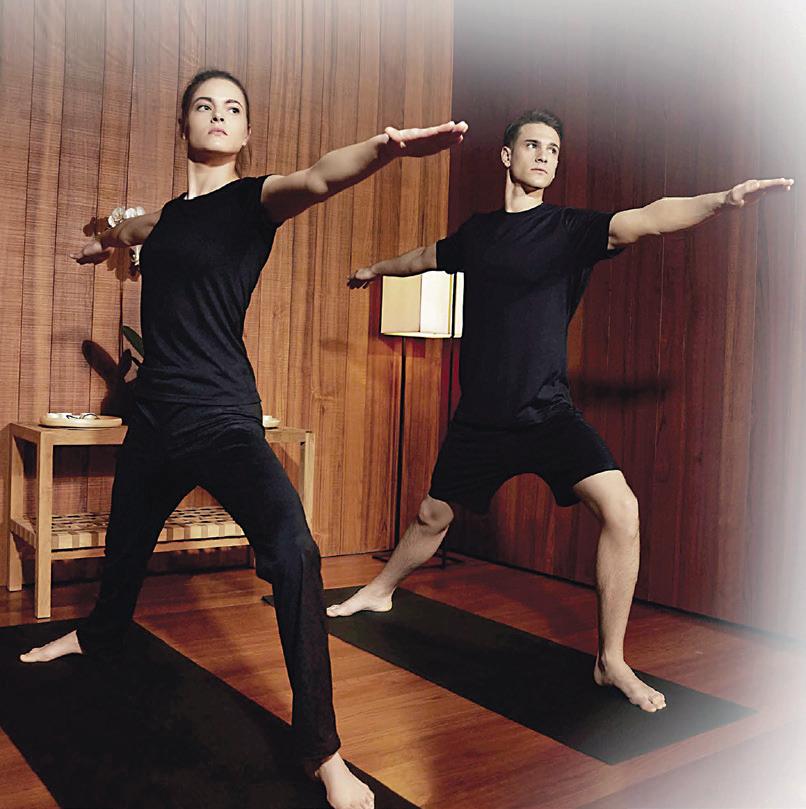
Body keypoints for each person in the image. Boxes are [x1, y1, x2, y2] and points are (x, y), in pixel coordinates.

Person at [20, 67, 467, 809]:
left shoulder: (257, 200)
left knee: (295, 551)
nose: (219, 115)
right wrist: (104, 245)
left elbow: (322, 177)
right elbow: (130, 230)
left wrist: (386, 149)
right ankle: (98, 635)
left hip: (222, 417)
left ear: (247, 131)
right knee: (124, 548)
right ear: (185, 126)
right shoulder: (166, 220)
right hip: (154, 419)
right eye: (205, 105)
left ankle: (322, 749)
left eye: (232, 108)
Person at [330, 108, 794, 715]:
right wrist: (375, 269)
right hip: (481, 418)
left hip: (547, 412)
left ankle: (611, 660)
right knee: (431, 516)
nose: (545, 156)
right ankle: (380, 591)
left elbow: (651, 217)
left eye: (553, 149)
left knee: (622, 509)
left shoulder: (571, 230)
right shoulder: (478, 233)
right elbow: (426, 256)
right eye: (533, 145)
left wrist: (724, 200)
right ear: (507, 156)